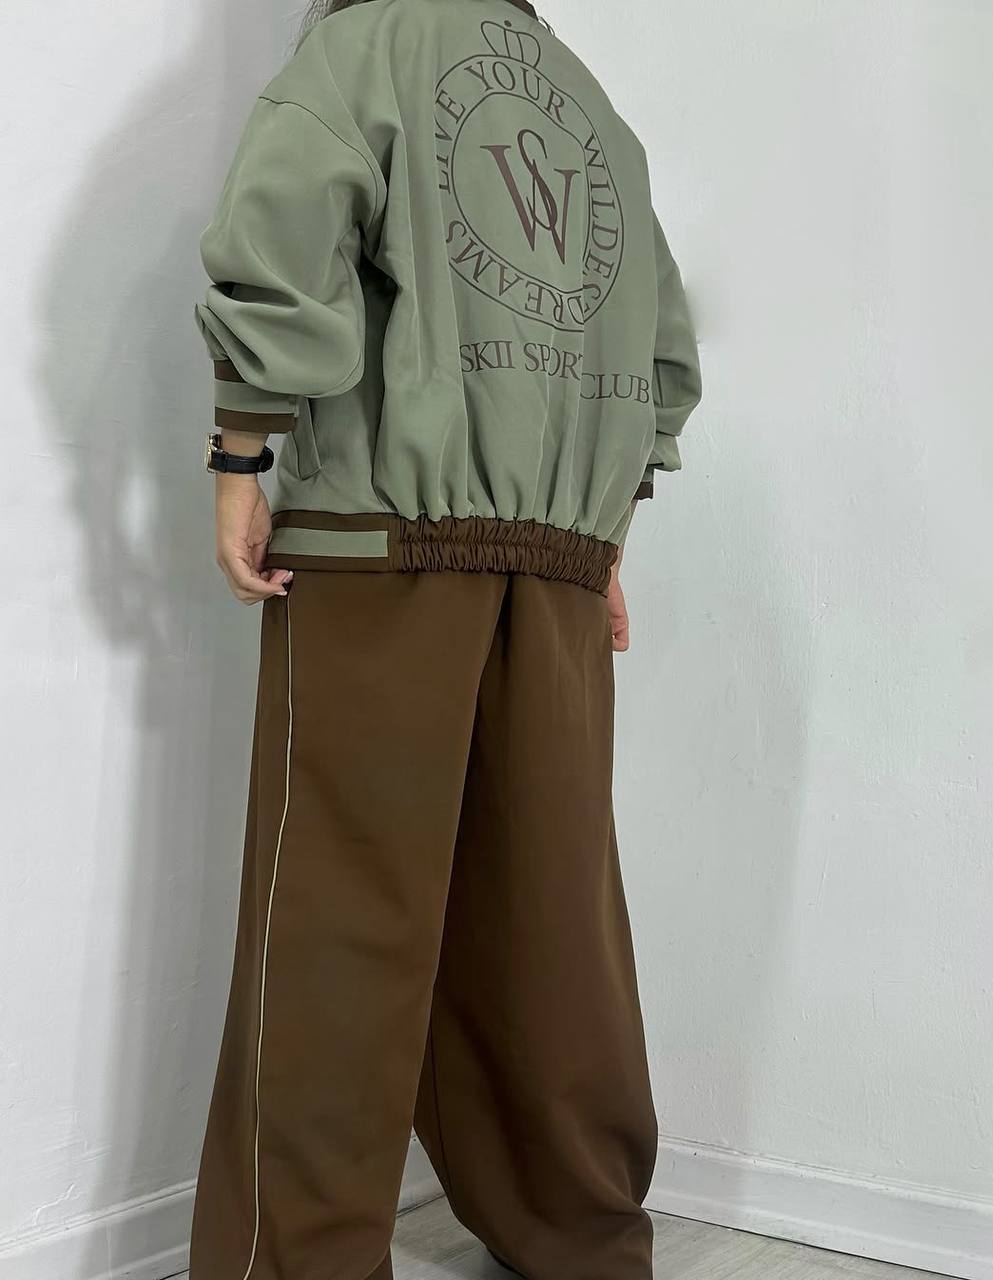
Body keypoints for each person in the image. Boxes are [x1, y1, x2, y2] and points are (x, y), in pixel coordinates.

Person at [190, 0, 701, 1277]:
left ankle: (300, 1259)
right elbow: (656, 344)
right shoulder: (587, 103)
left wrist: (241, 449)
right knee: (550, 920)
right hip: (560, 556)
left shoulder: (361, 49)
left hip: (384, 543)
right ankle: (583, 1237)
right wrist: (603, 523)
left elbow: (284, 232)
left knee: (336, 919)